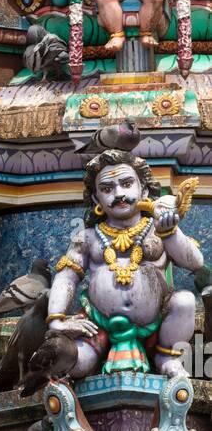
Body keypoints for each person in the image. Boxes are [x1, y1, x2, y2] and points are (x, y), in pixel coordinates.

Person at [47, 150, 202, 378]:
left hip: (155, 326)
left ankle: (167, 357)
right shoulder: (88, 237)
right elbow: (66, 276)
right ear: (96, 199)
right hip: (98, 324)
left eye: (127, 184)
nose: (119, 194)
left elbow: (195, 263)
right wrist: (57, 320)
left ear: (144, 190)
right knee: (76, 365)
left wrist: (170, 232)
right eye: (107, 189)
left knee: (185, 302)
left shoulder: (157, 228)